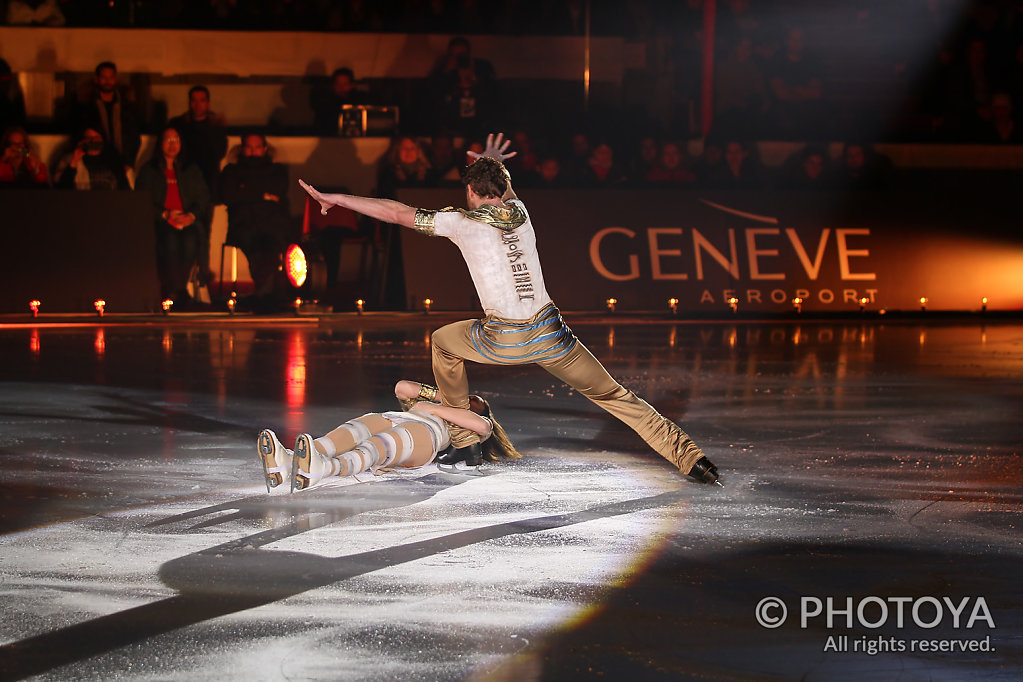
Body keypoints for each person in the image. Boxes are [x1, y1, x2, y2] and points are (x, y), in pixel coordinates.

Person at [299, 133, 720, 484]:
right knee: (615, 396)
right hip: (555, 339)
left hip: (503, 339)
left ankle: (465, 445)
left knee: (444, 343)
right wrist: (493, 164)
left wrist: (336, 198)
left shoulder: (459, 223)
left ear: (470, 191)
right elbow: (504, 187)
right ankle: (693, 460)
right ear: (502, 189)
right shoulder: (520, 213)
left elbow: (395, 212)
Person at [257, 380, 521, 493]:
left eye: (475, 400)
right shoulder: (438, 403)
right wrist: (442, 397)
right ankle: (288, 461)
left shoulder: (477, 426)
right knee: (349, 433)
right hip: (395, 417)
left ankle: (324, 469)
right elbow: (402, 388)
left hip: (426, 435)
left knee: (376, 447)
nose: (470, 398)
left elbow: (483, 427)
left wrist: (440, 407)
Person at [135, 125, 211, 305]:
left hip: (185, 219)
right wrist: (165, 214)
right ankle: (171, 290)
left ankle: (180, 289)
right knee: (170, 241)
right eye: (168, 140)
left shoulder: (190, 169)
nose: (172, 144)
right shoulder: (149, 170)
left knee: (190, 241)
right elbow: (141, 199)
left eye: (176, 140)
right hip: (161, 220)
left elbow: (203, 197)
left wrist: (191, 215)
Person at [218, 132, 292, 304]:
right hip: (243, 225)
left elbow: (279, 190)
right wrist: (263, 195)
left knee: (270, 247)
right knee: (256, 248)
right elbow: (228, 195)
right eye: (249, 147)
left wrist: (245, 191)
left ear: (265, 148)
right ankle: (267, 294)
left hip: (272, 224)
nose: (253, 152)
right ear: (242, 149)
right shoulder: (231, 171)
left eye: (257, 147)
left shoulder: (277, 170)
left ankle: (266, 293)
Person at [169, 85, 228, 282]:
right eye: (194, 100)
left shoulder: (216, 127)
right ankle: (184, 274)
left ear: (208, 103)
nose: (198, 104)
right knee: (183, 229)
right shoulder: (180, 126)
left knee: (203, 229)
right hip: (184, 183)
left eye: (201, 100)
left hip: (208, 184)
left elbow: (218, 152)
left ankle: (201, 272)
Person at [79, 61, 142, 177]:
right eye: (104, 77)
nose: (108, 81)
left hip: (123, 165)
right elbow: (82, 137)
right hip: (97, 166)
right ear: (96, 79)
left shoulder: (126, 107)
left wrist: (129, 162)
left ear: (115, 79)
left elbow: (134, 137)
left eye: (111, 77)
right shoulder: (87, 107)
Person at [52, 126, 130, 190]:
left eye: (96, 137)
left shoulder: (113, 159)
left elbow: (124, 188)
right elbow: (61, 188)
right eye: (88, 137)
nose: (93, 141)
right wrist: (74, 161)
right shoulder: (69, 159)